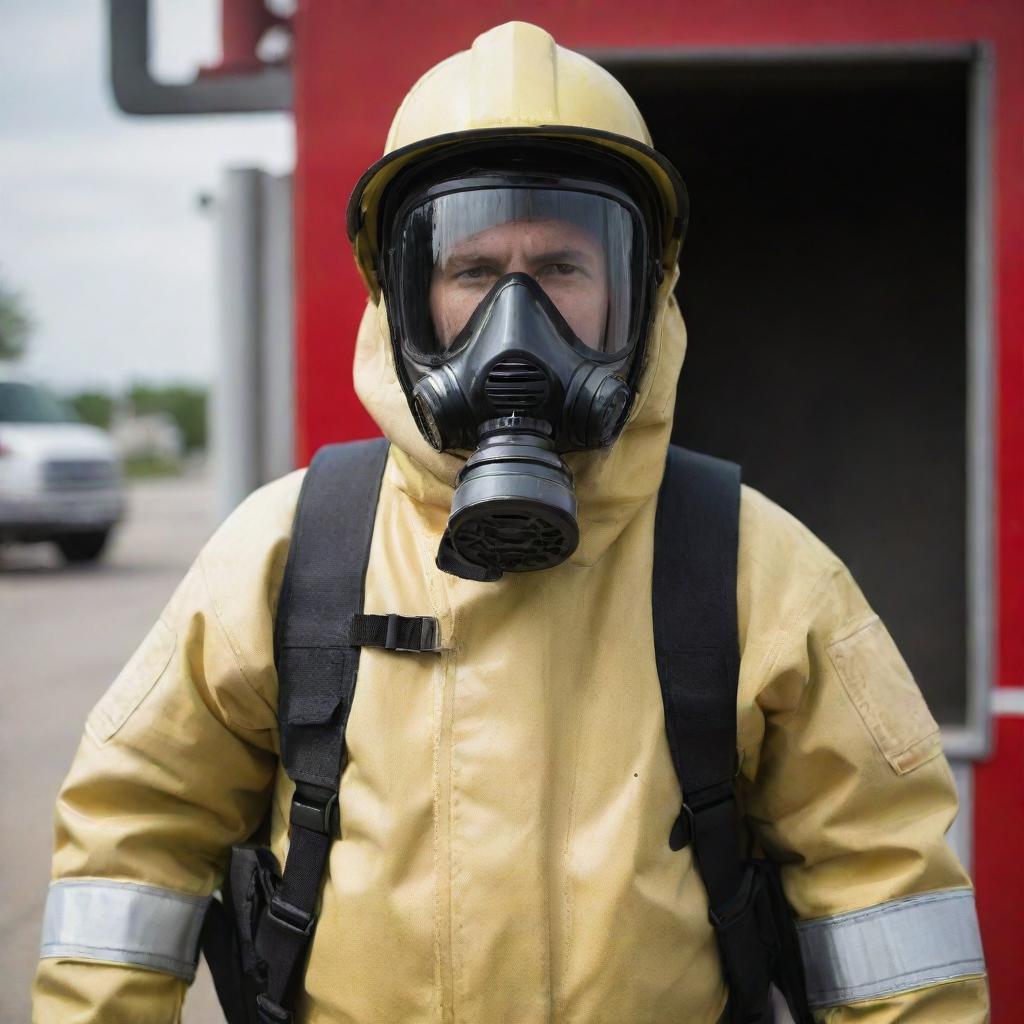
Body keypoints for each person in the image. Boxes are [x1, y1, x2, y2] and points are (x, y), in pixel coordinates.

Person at [32, 21, 988, 1024]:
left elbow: (887, 903)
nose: (515, 329)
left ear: (642, 292)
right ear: (404, 298)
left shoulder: (757, 568)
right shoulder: (289, 556)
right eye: (475, 273)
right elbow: (130, 842)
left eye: (563, 269)